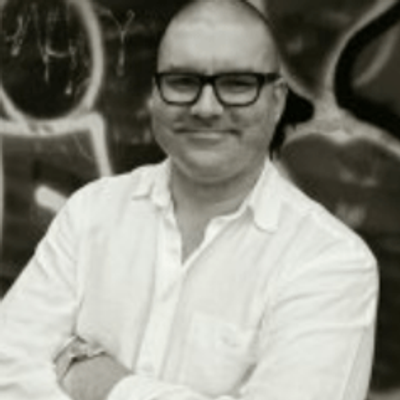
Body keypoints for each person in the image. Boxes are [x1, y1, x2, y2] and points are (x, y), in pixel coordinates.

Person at [0, 0, 378, 399]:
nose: (206, 107)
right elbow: (7, 366)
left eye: (237, 84)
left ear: (277, 100)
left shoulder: (330, 261)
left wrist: (102, 383)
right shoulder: (91, 212)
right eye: (182, 82)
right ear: (156, 95)